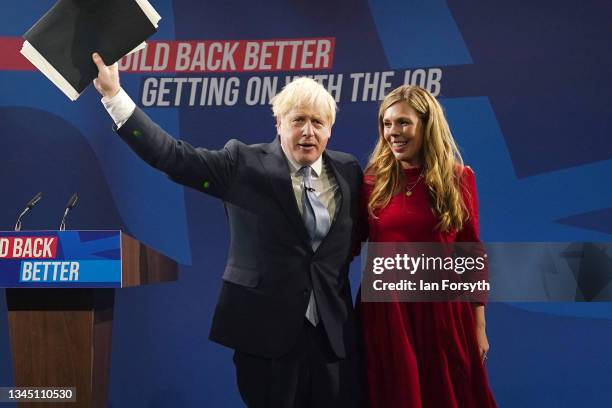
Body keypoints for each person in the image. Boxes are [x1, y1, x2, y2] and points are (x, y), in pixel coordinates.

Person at [91, 53, 366, 407]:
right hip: (265, 340)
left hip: (332, 341)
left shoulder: (348, 171)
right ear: (279, 123)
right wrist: (115, 96)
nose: (308, 131)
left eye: (318, 122)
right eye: (298, 120)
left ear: (330, 129)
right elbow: (172, 156)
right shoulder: (242, 164)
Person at [358, 85, 497, 407]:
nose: (393, 132)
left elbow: (471, 253)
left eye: (403, 122)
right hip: (386, 314)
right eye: (387, 123)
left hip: (442, 315)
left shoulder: (458, 178)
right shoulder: (371, 182)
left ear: (426, 124)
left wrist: (479, 326)